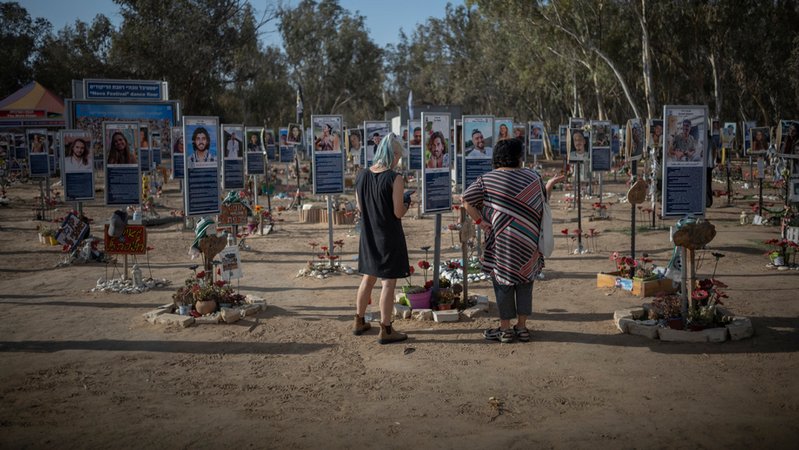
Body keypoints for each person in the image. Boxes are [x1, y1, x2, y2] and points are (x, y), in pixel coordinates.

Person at [462, 138, 564, 343]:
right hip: (528, 242)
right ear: (518, 157)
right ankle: (522, 327)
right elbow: (543, 200)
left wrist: (481, 222)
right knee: (525, 283)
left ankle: (505, 329)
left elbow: (465, 200)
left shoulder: (487, 180)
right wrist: (549, 184)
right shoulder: (533, 177)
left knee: (502, 284)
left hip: (502, 244)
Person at [354, 132, 411, 344]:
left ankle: (359, 320)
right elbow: (398, 212)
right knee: (388, 282)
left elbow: (360, 207)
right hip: (388, 236)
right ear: (392, 154)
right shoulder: (395, 178)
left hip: (368, 234)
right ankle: (386, 329)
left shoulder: (361, 175)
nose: (398, 160)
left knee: (368, 278)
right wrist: (406, 203)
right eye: (398, 156)